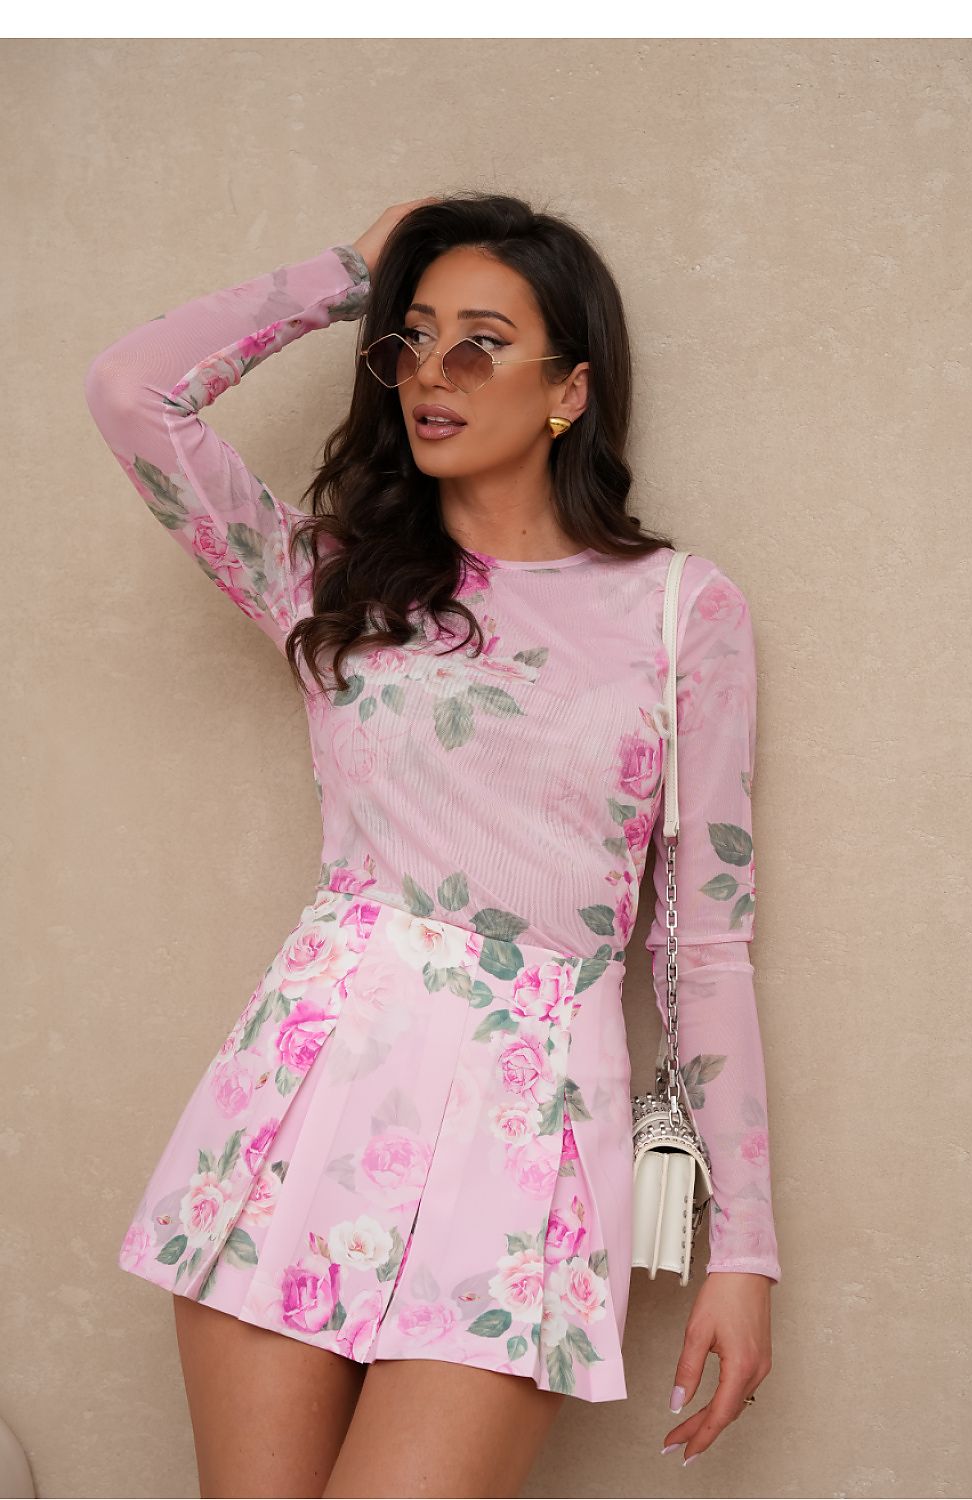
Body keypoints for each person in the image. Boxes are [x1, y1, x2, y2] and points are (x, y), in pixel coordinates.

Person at [84, 191, 780, 1499]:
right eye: (412, 343)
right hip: (305, 1098)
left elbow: (706, 944)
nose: (431, 378)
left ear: (568, 389)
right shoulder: (332, 583)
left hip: (532, 1134)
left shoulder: (686, 613)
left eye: (481, 345)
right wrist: (348, 272)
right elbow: (130, 393)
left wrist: (740, 1249)